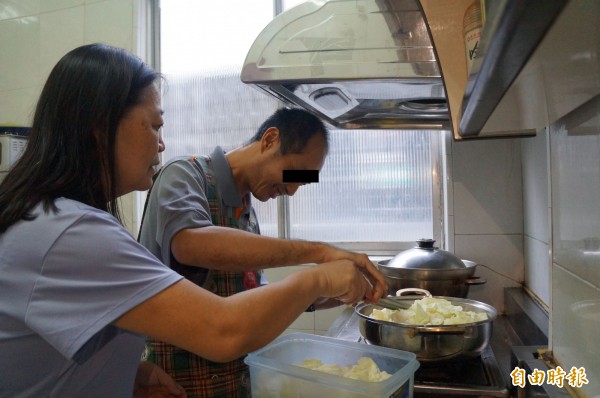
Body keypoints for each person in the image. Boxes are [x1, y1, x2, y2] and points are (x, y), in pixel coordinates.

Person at [0, 43, 387, 397]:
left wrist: (123, 373)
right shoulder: (87, 223)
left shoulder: (62, 222)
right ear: (99, 126)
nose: (161, 142)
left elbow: (254, 294)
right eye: (155, 125)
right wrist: (320, 264)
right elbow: (197, 257)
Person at [138, 108, 388, 397]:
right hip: (175, 385)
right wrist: (320, 254)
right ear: (270, 140)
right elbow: (191, 244)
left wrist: (332, 293)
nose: (293, 191)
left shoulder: (248, 215)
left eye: (302, 182)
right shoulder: (184, 173)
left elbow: (257, 295)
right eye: (294, 172)